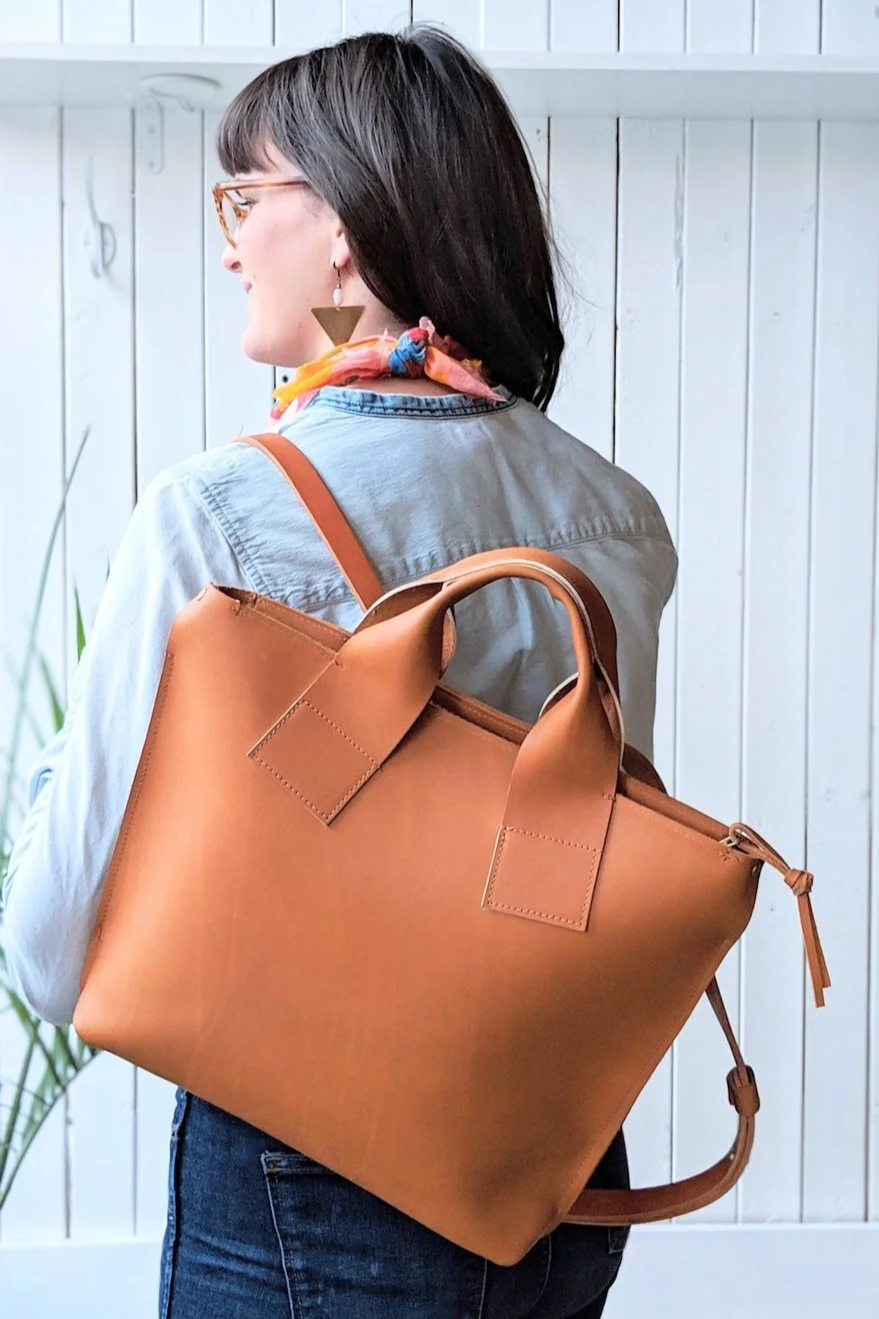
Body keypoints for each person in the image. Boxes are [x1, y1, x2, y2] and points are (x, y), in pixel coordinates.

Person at [2, 24, 676, 1319]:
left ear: (347, 229)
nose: (228, 242)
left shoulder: (216, 514)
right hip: (556, 1161)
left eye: (246, 197)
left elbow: (50, 946)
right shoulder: (615, 512)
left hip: (311, 1176)